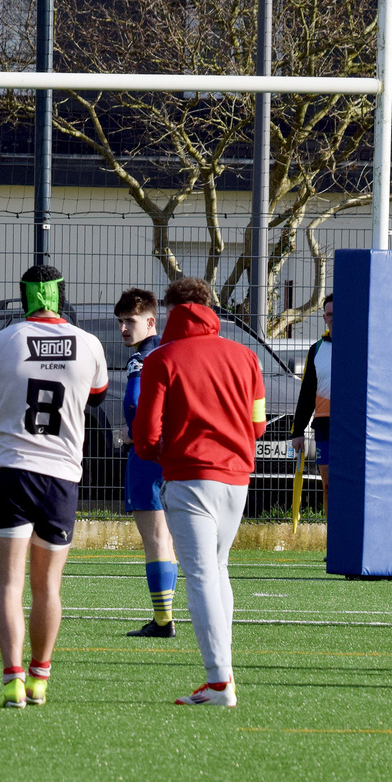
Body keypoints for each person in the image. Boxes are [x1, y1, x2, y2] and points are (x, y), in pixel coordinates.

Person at [0, 265, 108, 709]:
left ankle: (12, 681)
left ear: (23, 297)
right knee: (48, 587)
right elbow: (98, 397)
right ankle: (40, 678)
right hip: (61, 477)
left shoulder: (1, 341)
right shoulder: (89, 344)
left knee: (8, 586)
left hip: (10, 473)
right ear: (60, 296)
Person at [132, 277, 265, 707]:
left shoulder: (161, 358)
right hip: (237, 477)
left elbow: (145, 435)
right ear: (210, 307)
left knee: (203, 575)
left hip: (189, 476)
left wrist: (161, 453)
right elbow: (258, 424)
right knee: (219, 569)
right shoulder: (246, 356)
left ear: (172, 311)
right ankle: (223, 674)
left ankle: (219, 681)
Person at [114, 288, 176, 638]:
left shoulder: (142, 358)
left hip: (147, 455)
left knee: (155, 538)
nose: (124, 328)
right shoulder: (169, 351)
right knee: (168, 539)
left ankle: (163, 621)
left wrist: (132, 433)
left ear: (151, 322)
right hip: (175, 455)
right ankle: (168, 615)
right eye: (121, 321)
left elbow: (137, 402)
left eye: (130, 321)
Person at [290, 294, 334, 517]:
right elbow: (307, 392)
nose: (333, 318)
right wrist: (298, 431)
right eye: (329, 314)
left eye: (337, 314)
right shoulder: (316, 350)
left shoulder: (359, 346)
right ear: (324, 318)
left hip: (353, 427)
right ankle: (332, 535)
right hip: (324, 426)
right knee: (328, 485)